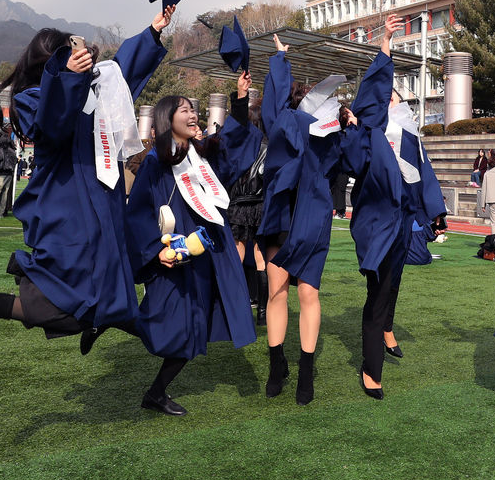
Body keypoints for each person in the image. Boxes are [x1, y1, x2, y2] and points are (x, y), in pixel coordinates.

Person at [0, 6, 173, 362]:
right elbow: (52, 123)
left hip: (101, 204)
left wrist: (153, 32)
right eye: (66, 58)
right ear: (49, 64)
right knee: (69, 303)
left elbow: (121, 71)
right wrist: (67, 77)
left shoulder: (96, 90)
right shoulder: (32, 98)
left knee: (98, 299)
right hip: (68, 207)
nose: (78, 62)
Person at [121, 75, 262, 416]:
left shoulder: (200, 157)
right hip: (171, 256)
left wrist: (240, 101)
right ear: (167, 120)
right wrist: (156, 250)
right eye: (183, 110)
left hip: (198, 255)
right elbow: (137, 213)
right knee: (163, 324)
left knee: (192, 328)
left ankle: (156, 392)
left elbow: (234, 149)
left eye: (192, 109)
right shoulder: (157, 162)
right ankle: (106, 319)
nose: (191, 114)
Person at [339, 15, 446, 399]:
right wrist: (385, 41)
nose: (390, 96)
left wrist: (435, 211)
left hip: (402, 218)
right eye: (385, 95)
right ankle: (371, 369)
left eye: (394, 94)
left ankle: (386, 327)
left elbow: (424, 171)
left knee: (393, 283)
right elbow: (373, 89)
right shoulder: (366, 132)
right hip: (376, 220)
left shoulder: (410, 134)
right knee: (379, 290)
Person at [258, 33, 342, 405]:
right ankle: (278, 364)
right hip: (282, 213)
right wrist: (280, 60)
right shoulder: (283, 123)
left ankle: (305, 370)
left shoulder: (327, 133)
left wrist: (347, 124)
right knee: (276, 290)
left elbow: (343, 162)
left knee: (307, 292)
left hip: (310, 214)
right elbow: (273, 111)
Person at [227, 102, 269, 325]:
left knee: (236, 257)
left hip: (239, 205)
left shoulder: (240, 146)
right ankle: (263, 313)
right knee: (261, 259)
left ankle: (236, 310)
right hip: (261, 205)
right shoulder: (269, 145)